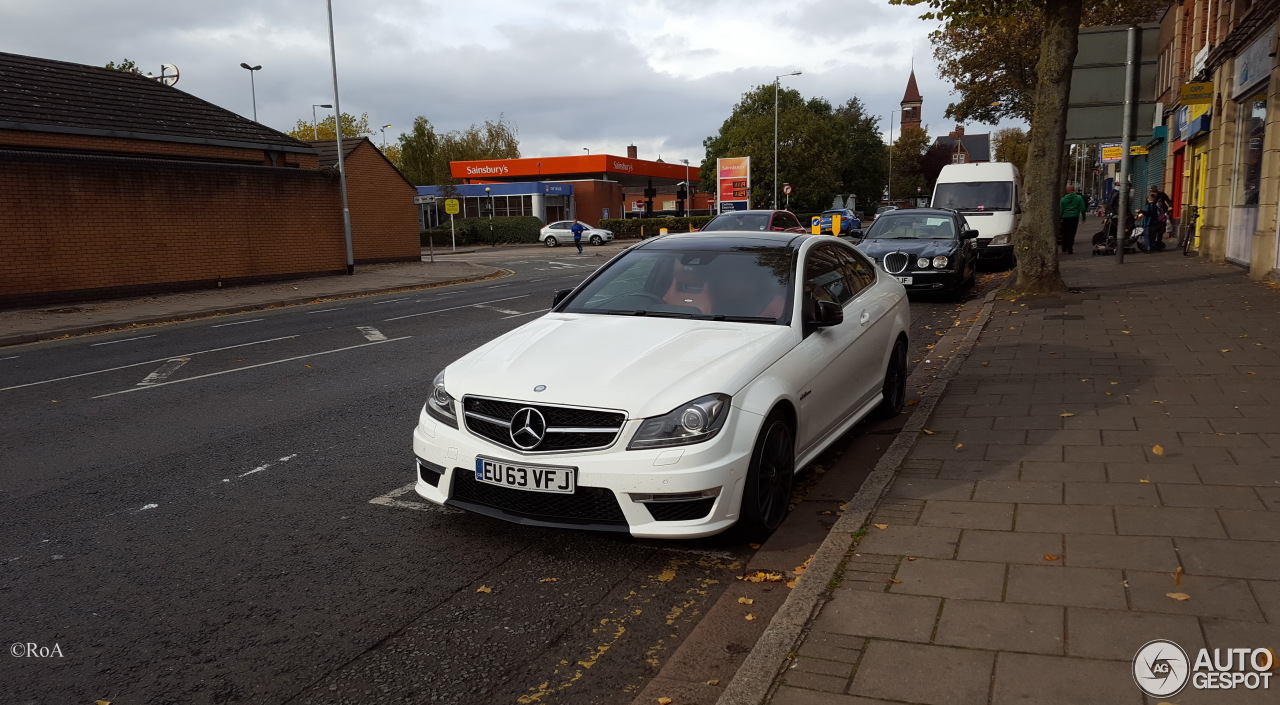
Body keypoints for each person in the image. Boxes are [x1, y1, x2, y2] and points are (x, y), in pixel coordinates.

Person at [1059, 184, 1088, 254]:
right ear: (1074, 190)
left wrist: (1060, 218)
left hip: (1065, 217)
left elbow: (1061, 210)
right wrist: (1083, 217)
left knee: (1065, 233)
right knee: (1072, 233)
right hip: (1074, 217)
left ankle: (1063, 248)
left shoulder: (1063, 199)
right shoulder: (1078, 198)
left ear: (1067, 191)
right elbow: (1083, 208)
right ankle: (1070, 249)